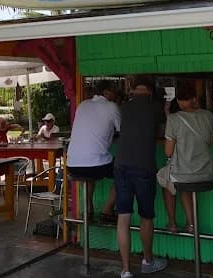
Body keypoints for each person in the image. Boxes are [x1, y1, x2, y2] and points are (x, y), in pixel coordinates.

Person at [114, 77, 168, 277]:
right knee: (146, 216)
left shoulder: (123, 107)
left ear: (133, 89)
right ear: (151, 91)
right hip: (144, 167)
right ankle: (147, 261)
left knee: (123, 217)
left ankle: (126, 269)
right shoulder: (155, 108)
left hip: (121, 166)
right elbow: (166, 126)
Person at [162, 81, 213, 233]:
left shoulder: (173, 119)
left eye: (184, 99)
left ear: (193, 99)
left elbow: (168, 152)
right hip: (206, 173)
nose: (182, 102)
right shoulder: (208, 115)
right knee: (184, 186)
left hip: (183, 173)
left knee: (167, 183)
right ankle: (191, 224)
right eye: (181, 99)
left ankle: (172, 223)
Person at [67, 80, 121, 222]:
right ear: (106, 92)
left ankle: (88, 210)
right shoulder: (111, 106)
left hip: (72, 165)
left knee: (90, 170)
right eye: (113, 91)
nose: (115, 95)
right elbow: (123, 129)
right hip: (95, 165)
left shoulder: (83, 105)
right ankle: (107, 210)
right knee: (124, 172)